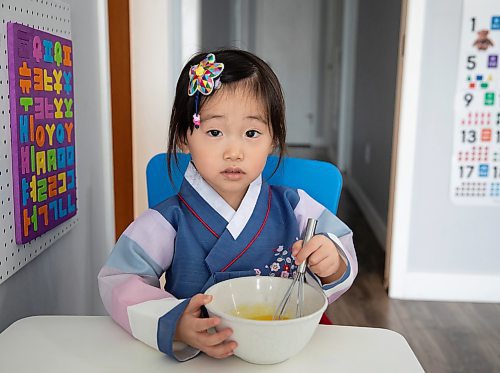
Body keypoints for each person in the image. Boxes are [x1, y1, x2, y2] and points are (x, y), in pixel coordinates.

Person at [98, 49, 357, 362]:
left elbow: (341, 246)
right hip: (203, 356)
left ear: (272, 138)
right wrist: (175, 323)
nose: (234, 152)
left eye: (251, 133)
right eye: (214, 132)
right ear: (184, 137)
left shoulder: (296, 206)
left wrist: (332, 264)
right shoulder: (169, 219)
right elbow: (119, 281)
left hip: (283, 349)